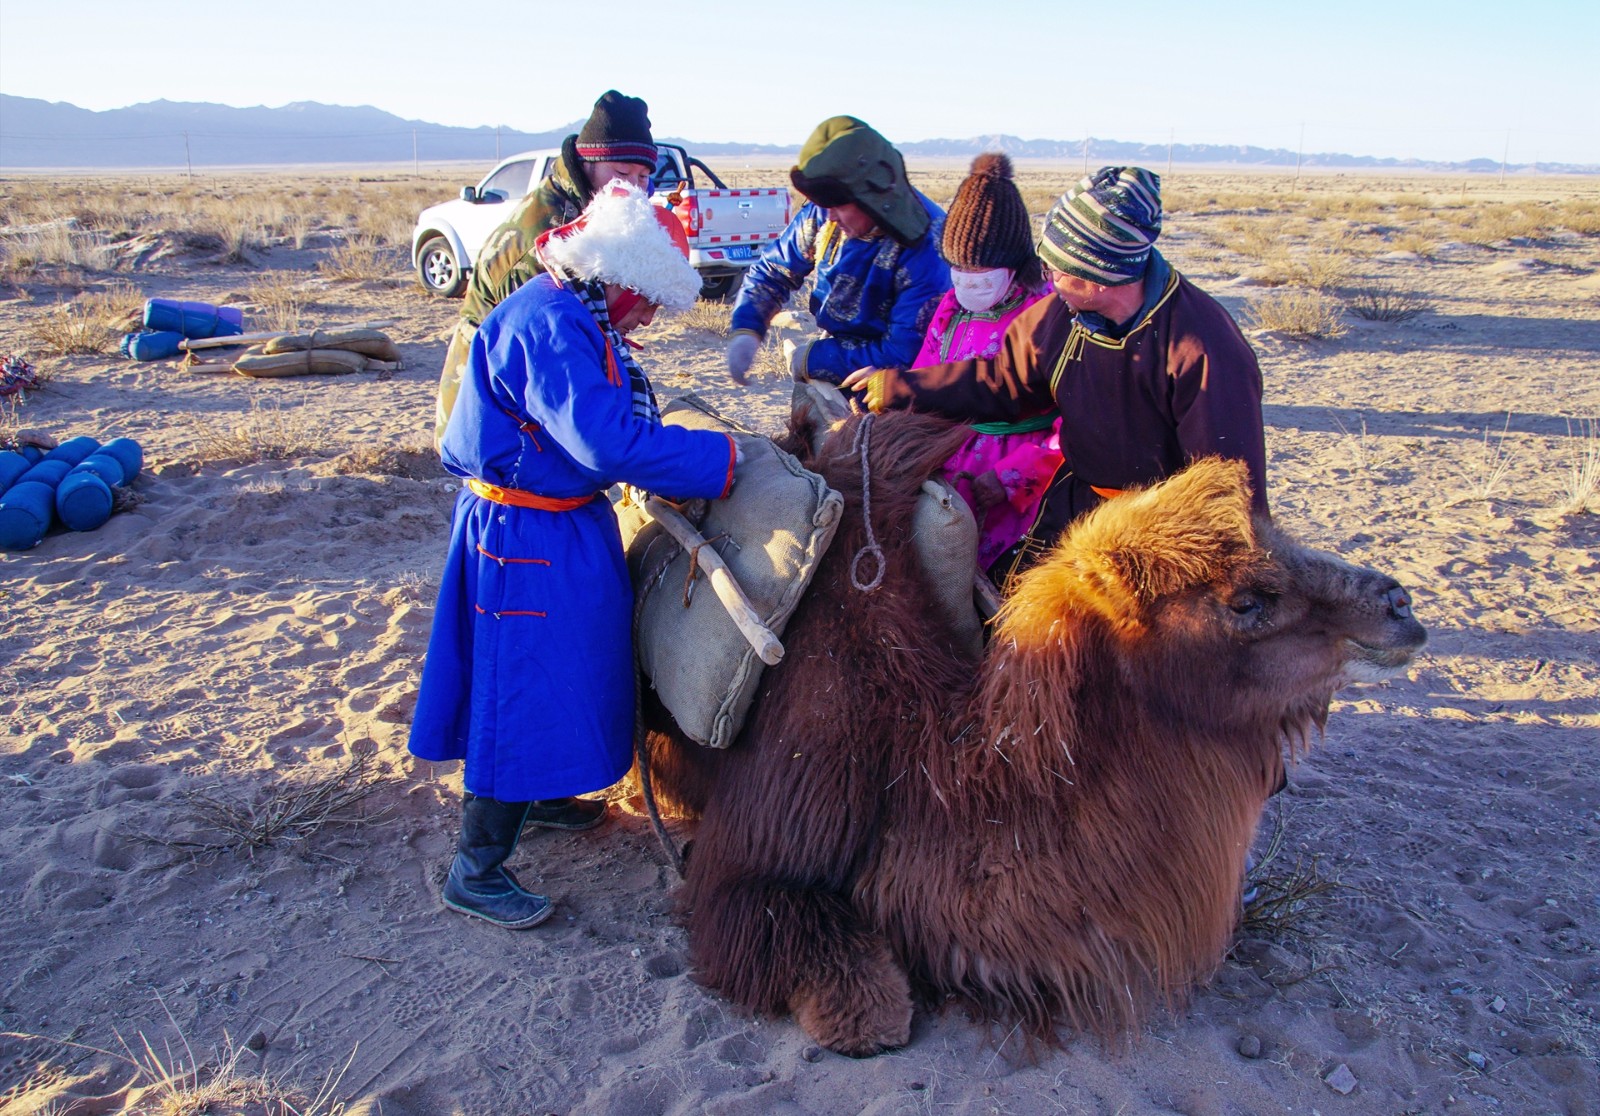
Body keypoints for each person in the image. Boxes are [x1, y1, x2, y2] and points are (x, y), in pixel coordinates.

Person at [409, 183, 739, 930]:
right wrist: (720, 460)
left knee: (564, 670)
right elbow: (605, 442)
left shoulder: (577, 312)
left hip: (558, 525)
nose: (652, 317)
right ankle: (476, 868)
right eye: (651, 299)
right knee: (519, 682)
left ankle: (545, 793)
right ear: (621, 278)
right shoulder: (552, 326)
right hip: (523, 538)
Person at [844, 166, 1267, 587]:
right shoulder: (1062, 315)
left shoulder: (1205, 350)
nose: (1048, 279)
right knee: (1009, 600)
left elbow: (1227, 490)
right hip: (1075, 501)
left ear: (1100, 273)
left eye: (1058, 269)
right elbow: (1001, 381)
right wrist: (898, 388)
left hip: (1155, 529)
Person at [434, 90, 659, 450]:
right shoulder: (547, 241)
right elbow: (537, 357)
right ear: (588, 164)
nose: (632, 187)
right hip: (488, 411)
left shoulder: (593, 216)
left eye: (643, 176)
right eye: (620, 172)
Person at [724, 116, 949, 386]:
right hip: (838, 352)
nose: (829, 217)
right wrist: (748, 326)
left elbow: (904, 353)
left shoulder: (926, 246)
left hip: (897, 383)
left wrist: (813, 359)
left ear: (873, 201)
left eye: (838, 206)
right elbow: (774, 271)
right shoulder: (826, 211)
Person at [912, 153, 1056, 571]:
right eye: (958, 270)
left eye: (982, 273)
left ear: (1014, 267)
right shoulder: (950, 307)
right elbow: (925, 377)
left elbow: (1074, 424)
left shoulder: (1048, 315)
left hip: (1014, 484)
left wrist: (1014, 476)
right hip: (948, 465)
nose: (968, 283)